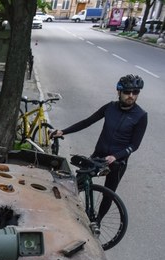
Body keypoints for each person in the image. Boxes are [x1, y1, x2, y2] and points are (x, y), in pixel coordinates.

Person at [50, 74, 147, 218]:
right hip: (99, 154)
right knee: (77, 182)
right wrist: (63, 131)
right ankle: (66, 212)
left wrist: (115, 156)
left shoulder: (141, 115)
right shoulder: (110, 107)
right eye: (127, 92)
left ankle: (97, 222)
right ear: (119, 92)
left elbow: (134, 145)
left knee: (109, 194)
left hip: (117, 161)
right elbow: (87, 122)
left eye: (135, 92)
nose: (131, 96)